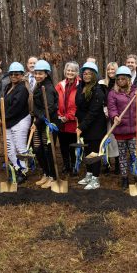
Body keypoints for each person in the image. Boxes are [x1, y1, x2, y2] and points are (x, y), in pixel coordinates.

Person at [107, 66, 137, 190]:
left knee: (135, 155)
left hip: (134, 131)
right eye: (118, 79)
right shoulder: (112, 93)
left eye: (123, 78)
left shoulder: (136, 91)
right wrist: (114, 116)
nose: (120, 81)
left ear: (129, 79)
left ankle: (136, 176)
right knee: (123, 156)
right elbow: (111, 108)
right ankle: (124, 178)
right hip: (120, 131)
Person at [76, 62, 107, 190]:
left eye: (89, 73)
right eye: (84, 73)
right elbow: (79, 106)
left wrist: (81, 126)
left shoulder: (98, 90)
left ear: (94, 75)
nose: (86, 75)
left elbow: (93, 112)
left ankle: (95, 178)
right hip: (85, 126)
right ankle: (89, 174)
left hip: (95, 126)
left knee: (94, 153)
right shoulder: (81, 87)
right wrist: (78, 120)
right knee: (87, 151)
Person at [0, 62, 31, 184]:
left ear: (22, 75)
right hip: (8, 120)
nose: (14, 76)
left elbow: (16, 107)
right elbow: (4, 105)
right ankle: (17, 168)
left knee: (19, 147)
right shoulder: (8, 87)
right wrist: (1, 117)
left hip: (20, 120)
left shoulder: (23, 88)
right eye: (11, 74)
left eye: (17, 74)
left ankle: (23, 171)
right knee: (10, 148)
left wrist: (2, 118)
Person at [31, 60, 59, 188]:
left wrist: (37, 121)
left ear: (46, 74)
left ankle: (53, 177)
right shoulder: (38, 86)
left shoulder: (47, 88)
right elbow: (37, 108)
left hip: (48, 124)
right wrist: (35, 120)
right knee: (38, 149)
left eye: (40, 73)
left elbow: (50, 108)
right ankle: (46, 173)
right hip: (39, 122)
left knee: (48, 151)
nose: (37, 75)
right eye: (36, 73)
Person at [55, 61, 80, 175]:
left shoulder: (80, 85)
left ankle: (75, 165)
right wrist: (59, 116)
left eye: (72, 70)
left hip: (73, 122)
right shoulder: (60, 85)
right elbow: (54, 101)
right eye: (68, 70)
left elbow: (79, 105)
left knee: (73, 146)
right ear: (65, 71)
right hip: (61, 122)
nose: (70, 72)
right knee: (63, 145)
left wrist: (68, 117)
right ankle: (66, 165)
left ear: (76, 72)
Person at [98, 62, 120, 175]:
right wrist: (104, 110)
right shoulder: (102, 83)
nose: (111, 71)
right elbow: (100, 99)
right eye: (109, 69)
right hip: (104, 117)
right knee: (105, 140)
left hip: (116, 116)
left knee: (115, 140)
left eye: (113, 69)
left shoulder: (120, 84)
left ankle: (118, 164)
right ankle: (106, 164)